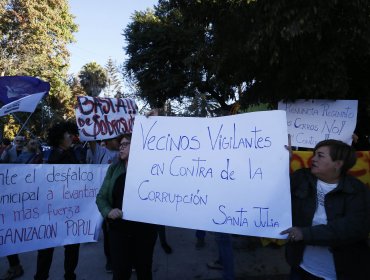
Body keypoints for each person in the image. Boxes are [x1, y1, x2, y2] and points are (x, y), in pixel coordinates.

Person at [281, 139, 370, 280]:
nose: (313, 158)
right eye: (314, 154)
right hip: (301, 267)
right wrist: (281, 162)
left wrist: (304, 234)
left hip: (340, 272)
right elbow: (274, 191)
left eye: (320, 156)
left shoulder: (356, 190)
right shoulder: (301, 178)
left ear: (338, 164)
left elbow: (353, 228)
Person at [96, 133, 158, 280]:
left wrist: (156, 119)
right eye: (120, 145)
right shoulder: (114, 169)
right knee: (120, 273)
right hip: (119, 231)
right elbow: (101, 198)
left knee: (144, 271)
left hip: (144, 232)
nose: (120, 148)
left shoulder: (151, 168)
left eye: (125, 145)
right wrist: (108, 211)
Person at [34, 121, 80, 280]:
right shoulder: (46, 155)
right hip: (50, 209)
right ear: (60, 137)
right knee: (46, 248)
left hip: (70, 208)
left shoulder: (74, 153)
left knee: (73, 246)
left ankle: (70, 275)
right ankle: (41, 276)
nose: (71, 136)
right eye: (68, 133)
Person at [88, 137, 120, 273]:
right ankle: (110, 260)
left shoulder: (123, 152)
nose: (117, 142)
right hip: (105, 199)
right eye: (114, 139)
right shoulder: (100, 152)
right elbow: (90, 138)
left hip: (120, 197)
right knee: (108, 233)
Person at [0, 136, 25, 280]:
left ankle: (15, 266)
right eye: (18, 141)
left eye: (21, 141)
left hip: (10, 193)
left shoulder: (29, 151)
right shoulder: (8, 152)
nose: (19, 143)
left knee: (5, 230)